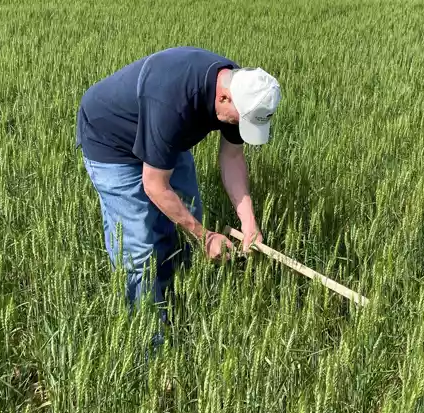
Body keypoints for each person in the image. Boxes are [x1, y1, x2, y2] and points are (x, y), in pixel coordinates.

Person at [76, 46, 281, 321]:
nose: (240, 127)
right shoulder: (175, 101)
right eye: (241, 122)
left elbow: (232, 157)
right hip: (111, 140)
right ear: (222, 98)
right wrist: (206, 237)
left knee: (189, 211)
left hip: (164, 133)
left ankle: (179, 293)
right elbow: (155, 185)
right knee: (138, 249)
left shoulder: (242, 93)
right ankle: (148, 337)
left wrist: (249, 223)